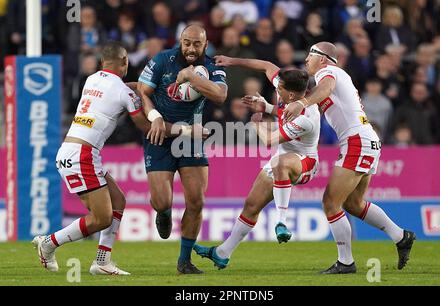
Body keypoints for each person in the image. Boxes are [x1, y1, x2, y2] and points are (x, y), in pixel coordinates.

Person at [32, 41, 204, 275]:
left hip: (76, 151)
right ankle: (49, 242)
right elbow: (147, 128)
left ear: (102, 62)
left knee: (118, 202)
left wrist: (145, 88)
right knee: (101, 218)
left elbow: (125, 88)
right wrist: (186, 130)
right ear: (125, 62)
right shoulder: (123, 92)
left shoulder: (92, 79)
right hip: (81, 155)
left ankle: (102, 262)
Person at [283, 42, 415, 274]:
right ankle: (400, 236)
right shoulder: (329, 78)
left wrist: (302, 102)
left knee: (330, 203)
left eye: (310, 55)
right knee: (353, 204)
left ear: (323, 59)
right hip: (366, 140)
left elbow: (325, 88)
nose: (306, 60)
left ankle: (346, 262)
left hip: (357, 141)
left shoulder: (329, 72)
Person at [193, 56, 320, 269]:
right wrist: (232, 61)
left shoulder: (307, 117)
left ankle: (281, 222)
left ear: (291, 94)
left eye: (279, 88)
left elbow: (269, 140)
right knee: (251, 205)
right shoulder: (288, 91)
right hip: (282, 157)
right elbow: (267, 65)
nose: (276, 89)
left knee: (281, 163)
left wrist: (256, 123)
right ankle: (222, 253)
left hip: (305, 162)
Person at [136, 24, 227, 274]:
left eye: (197, 43)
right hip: (160, 135)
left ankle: (184, 261)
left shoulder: (212, 66)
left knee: (196, 201)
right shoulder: (162, 60)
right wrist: (153, 115)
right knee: (162, 201)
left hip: (191, 137)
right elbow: (143, 92)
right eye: (187, 42)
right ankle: (162, 212)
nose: (191, 48)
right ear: (180, 41)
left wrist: (192, 77)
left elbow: (220, 96)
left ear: (205, 44)